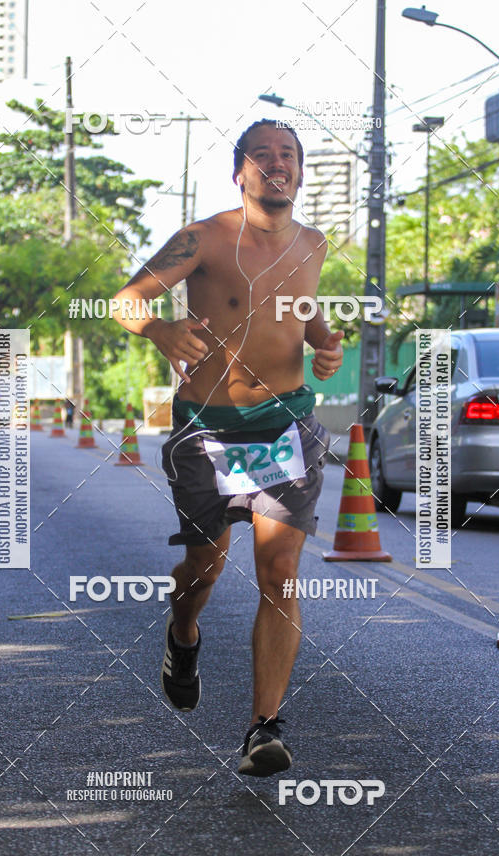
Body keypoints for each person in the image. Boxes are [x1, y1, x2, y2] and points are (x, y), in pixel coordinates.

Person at [113, 119, 344, 777]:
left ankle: (263, 728)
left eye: (289, 155)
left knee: (278, 572)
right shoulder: (205, 237)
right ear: (239, 172)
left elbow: (303, 310)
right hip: (208, 432)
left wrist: (322, 345)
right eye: (262, 155)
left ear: (300, 172)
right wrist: (159, 329)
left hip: (284, 428)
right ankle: (182, 633)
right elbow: (126, 300)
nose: (278, 164)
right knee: (204, 570)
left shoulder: (312, 242)